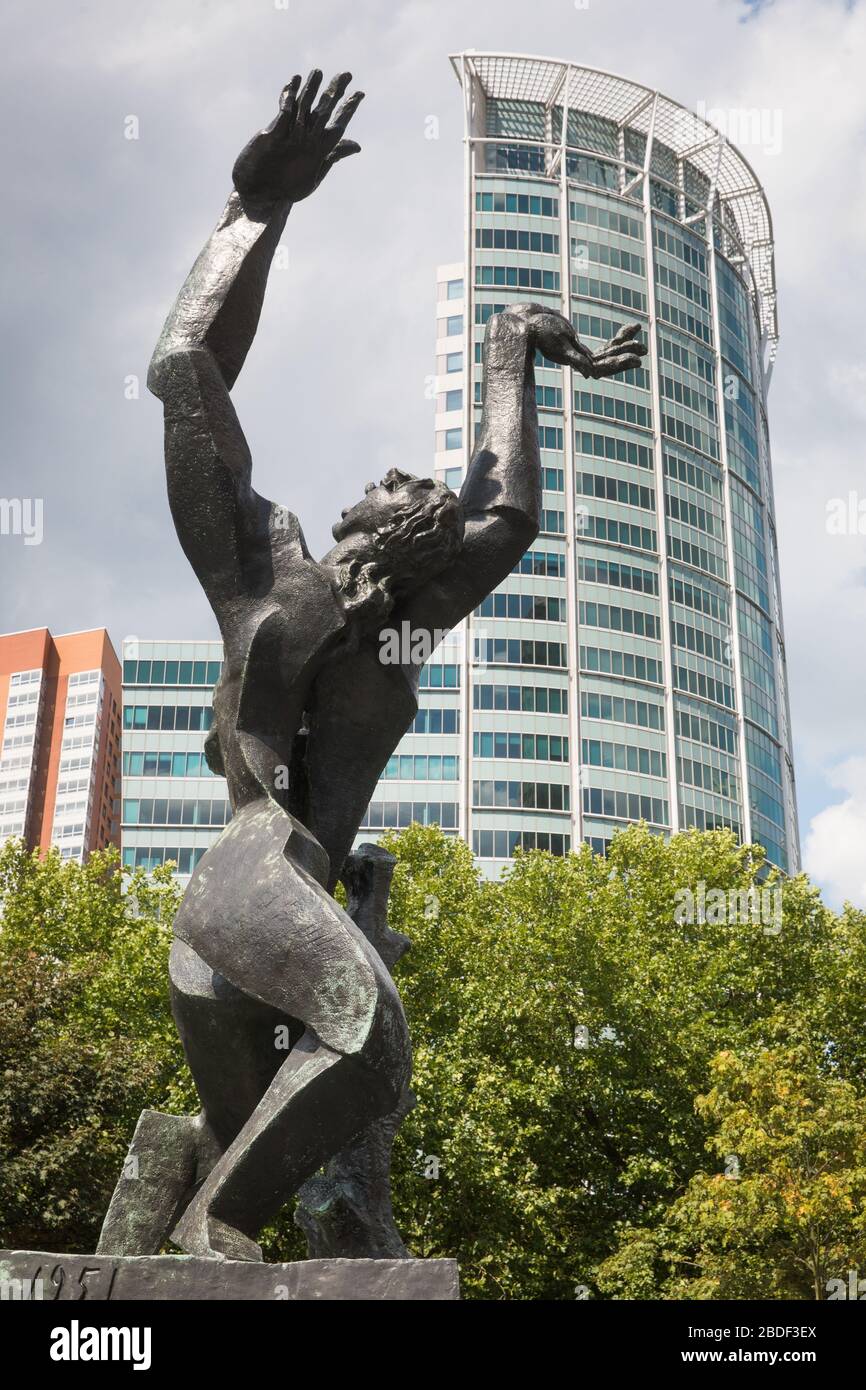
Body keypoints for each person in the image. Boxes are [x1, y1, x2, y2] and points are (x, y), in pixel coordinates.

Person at [101, 70, 647, 1261]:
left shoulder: (402, 633)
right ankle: (211, 1225)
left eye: (419, 488)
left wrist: (516, 349)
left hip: (264, 928)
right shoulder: (263, 576)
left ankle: (155, 1220)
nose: (408, 488)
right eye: (400, 482)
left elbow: (502, 521)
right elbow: (184, 373)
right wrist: (256, 209)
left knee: (293, 1130)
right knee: (367, 1038)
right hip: (244, 887)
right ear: (361, 519)